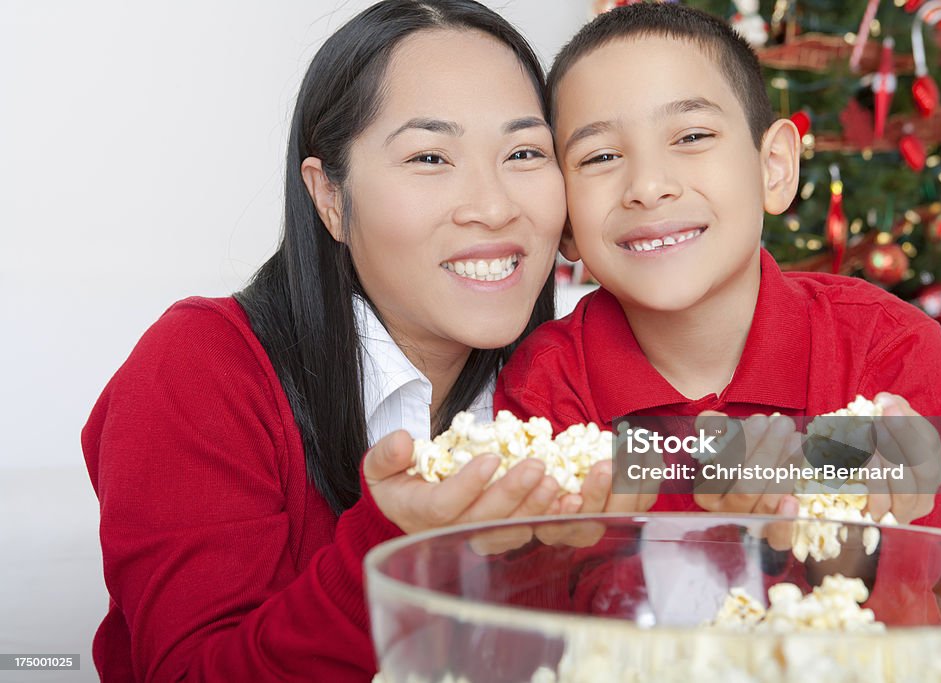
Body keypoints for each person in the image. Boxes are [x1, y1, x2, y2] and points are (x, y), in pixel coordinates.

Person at [82, 2, 588, 680]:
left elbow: (713, 455)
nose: (494, 206)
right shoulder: (200, 367)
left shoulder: (568, 368)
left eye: (525, 152)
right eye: (430, 156)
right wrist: (395, 542)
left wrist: (756, 478)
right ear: (329, 197)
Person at [494, 3, 941, 531]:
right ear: (567, 222)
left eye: (692, 137)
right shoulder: (544, 386)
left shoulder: (888, 348)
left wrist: (847, 527)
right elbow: (538, 594)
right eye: (600, 157)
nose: (648, 187)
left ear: (774, 168)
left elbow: (916, 593)